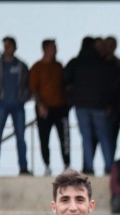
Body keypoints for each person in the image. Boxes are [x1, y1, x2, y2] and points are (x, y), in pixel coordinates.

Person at [64, 37, 117, 175]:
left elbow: (64, 79)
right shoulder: (102, 63)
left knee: (86, 137)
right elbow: (110, 85)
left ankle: (89, 167)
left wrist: (73, 93)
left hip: (81, 105)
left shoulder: (76, 62)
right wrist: (107, 103)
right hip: (99, 105)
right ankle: (109, 167)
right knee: (104, 137)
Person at [0, 36, 31, 175]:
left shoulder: (22, 66)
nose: (7, 48)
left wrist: (24, 97)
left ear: (15, 47)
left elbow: (30, 85)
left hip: (18, 106)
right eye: (5, 45)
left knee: (21, 137)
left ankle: (23, 167)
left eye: (9, 45)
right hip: (0, 105)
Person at [30, 40, 70, 176]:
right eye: (53, 48)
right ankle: (47, 164)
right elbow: (33, 89)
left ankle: (67, 164)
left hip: (61, 108)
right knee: (44, 138)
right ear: (46, 49)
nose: (56, 51)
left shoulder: (59, 66)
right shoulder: (37, 67)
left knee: (65, 138)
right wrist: (40, 105)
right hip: (44, 109)